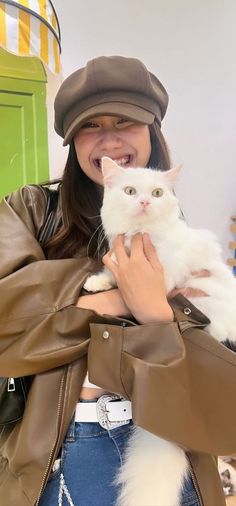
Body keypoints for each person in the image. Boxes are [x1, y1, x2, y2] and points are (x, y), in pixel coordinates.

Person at [0, 55, 235, 506]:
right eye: (91, 126)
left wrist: (160, 312)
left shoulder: (168, 218)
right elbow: (7, 320)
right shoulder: (31, 209)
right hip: (67, 446)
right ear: (71, 140)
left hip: (175, 438)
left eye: (126, 121)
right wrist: (121, 300)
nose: (110, 139)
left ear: (151, 131)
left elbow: (211, 354)